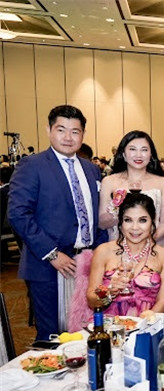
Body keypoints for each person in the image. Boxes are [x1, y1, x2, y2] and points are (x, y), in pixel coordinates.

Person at [8, 105, 105, 340]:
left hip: (86, 264)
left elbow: (96, 217)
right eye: (61, 130)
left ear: (83, 134)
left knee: (86, 332)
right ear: (49, 130)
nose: (68, 137)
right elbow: (18, 214)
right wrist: (51, 254)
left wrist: (101, 256)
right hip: (48, 266)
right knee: (51, 335)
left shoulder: (91, 170)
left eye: (75, 131)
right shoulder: (32, 165)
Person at [87, 193, 164, 316]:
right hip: (110, 323)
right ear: (121, 223)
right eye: (128, 220)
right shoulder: (103, 251)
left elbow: (163, 302)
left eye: (142, 220)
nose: (135, 227)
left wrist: (143, 322)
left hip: (148, 323)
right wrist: (109, 293)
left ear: (152, 222)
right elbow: (92, 302)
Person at [98, 131, 164, 250]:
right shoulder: (109, 181)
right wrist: (117, 213)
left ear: (151, 155)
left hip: (154, 246)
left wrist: (149, 241)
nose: (138, 155)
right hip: (118, 247)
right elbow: (102, 221)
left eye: (144, 150)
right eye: (132, 149)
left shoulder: (161, 182)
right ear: (123, 154)